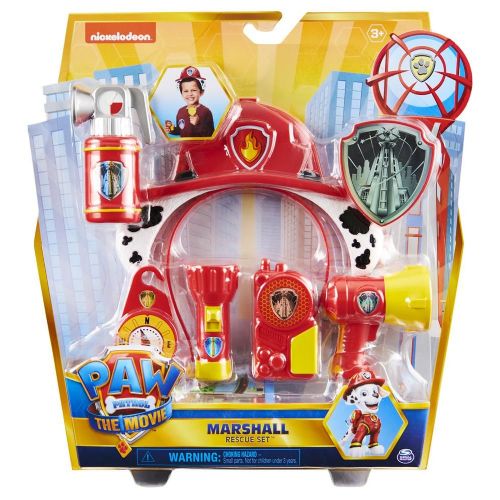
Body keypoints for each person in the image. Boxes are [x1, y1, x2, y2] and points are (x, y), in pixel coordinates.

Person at [165, 66, 215, 138]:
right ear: (181, 93)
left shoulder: (206, 112)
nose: (190, 94)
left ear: (201, 92)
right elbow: (180, 130)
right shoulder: (180, 111)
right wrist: (172, 130)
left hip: (200, 145)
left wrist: (198, 123)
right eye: (186, 91)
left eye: (194, 90)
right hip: (184, 145)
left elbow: (211, 135)